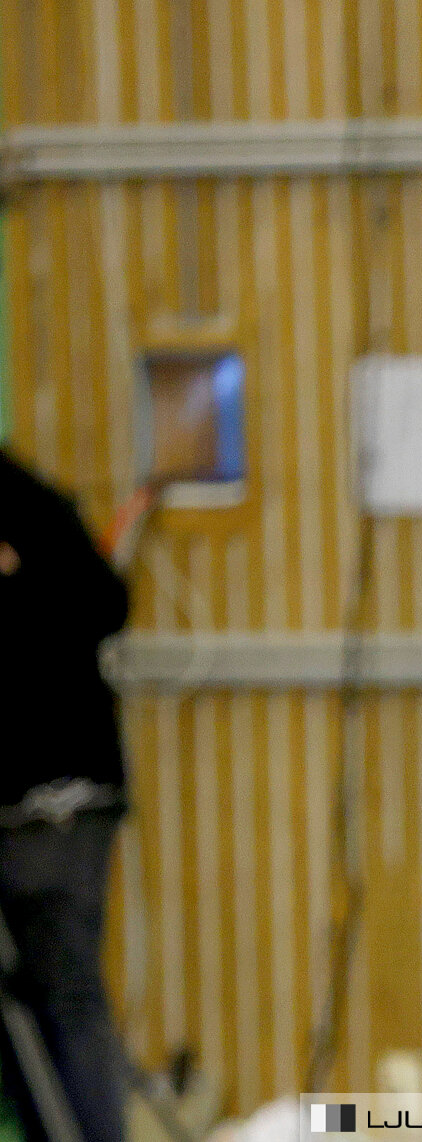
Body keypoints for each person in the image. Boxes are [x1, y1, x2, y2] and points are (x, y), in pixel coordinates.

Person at [0, 446, 131, 1142]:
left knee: (63, 999)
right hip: (50, 802)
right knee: (40, 1007)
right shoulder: (32, 499)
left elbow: (105, 605)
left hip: (54, 803)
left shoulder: (24, 505)